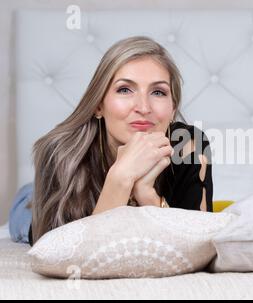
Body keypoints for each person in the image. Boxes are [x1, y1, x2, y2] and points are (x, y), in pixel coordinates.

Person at [9, 36, 213, 245]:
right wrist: (121, 177)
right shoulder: (60, 152)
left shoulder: (187, 144)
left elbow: (198, 245)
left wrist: (146, 195)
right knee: (26, 215)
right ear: (98, 105)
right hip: (37, 203)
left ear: (173, 109)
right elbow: (71, 255)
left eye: (158, 92)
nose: (143, 107)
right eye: (124, 89)